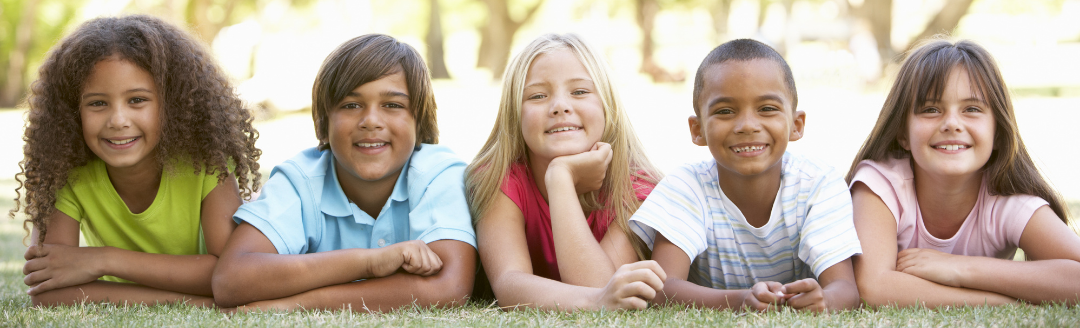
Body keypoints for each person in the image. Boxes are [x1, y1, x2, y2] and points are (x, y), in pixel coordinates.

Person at [212, 34, 475, 312]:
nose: (371, 121)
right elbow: (230, 280)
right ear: (324, 122)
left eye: (393, 105)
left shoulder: (438, 173)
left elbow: (450, 288)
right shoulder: (300, 181)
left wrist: (305, 303)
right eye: (351, 105)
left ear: (419, 120)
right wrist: (370, 262)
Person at [14, 15, 261, 307]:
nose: (118, 120)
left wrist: (103, 260)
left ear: (173, 103)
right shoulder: (66, 173)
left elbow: (233, 273)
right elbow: (47, 289)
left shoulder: (206, 165)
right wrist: (197, 302)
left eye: (137, 100)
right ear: (71, 111)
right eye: (97, 103)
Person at [630, 39, 862, 312]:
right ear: (697, 129)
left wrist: (825, 300)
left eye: (767, 109)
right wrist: (741, 300)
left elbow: (846, 289)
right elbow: (662, 288)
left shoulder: (818, 184)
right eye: (725, 111)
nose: (747, 126)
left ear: (796, 125)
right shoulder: (686, 186)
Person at [847, 38, 1080, 308]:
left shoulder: (1008, 201)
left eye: (971, 109)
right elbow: (873, 287)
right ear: (902, 133)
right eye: (931, 109)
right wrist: (998, 302)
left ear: (998, 131)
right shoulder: (879, 185)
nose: (952, 124)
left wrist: (959, 268)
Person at [465, 33, 666, 311]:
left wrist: (559, 178)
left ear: (609, 106)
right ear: (515, 114)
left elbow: (600, 285)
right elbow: (509, 285)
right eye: (537, 95)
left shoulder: (637, 188)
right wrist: (562, 176)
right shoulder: (499, 178)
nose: (560, 106)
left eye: (580, 92)